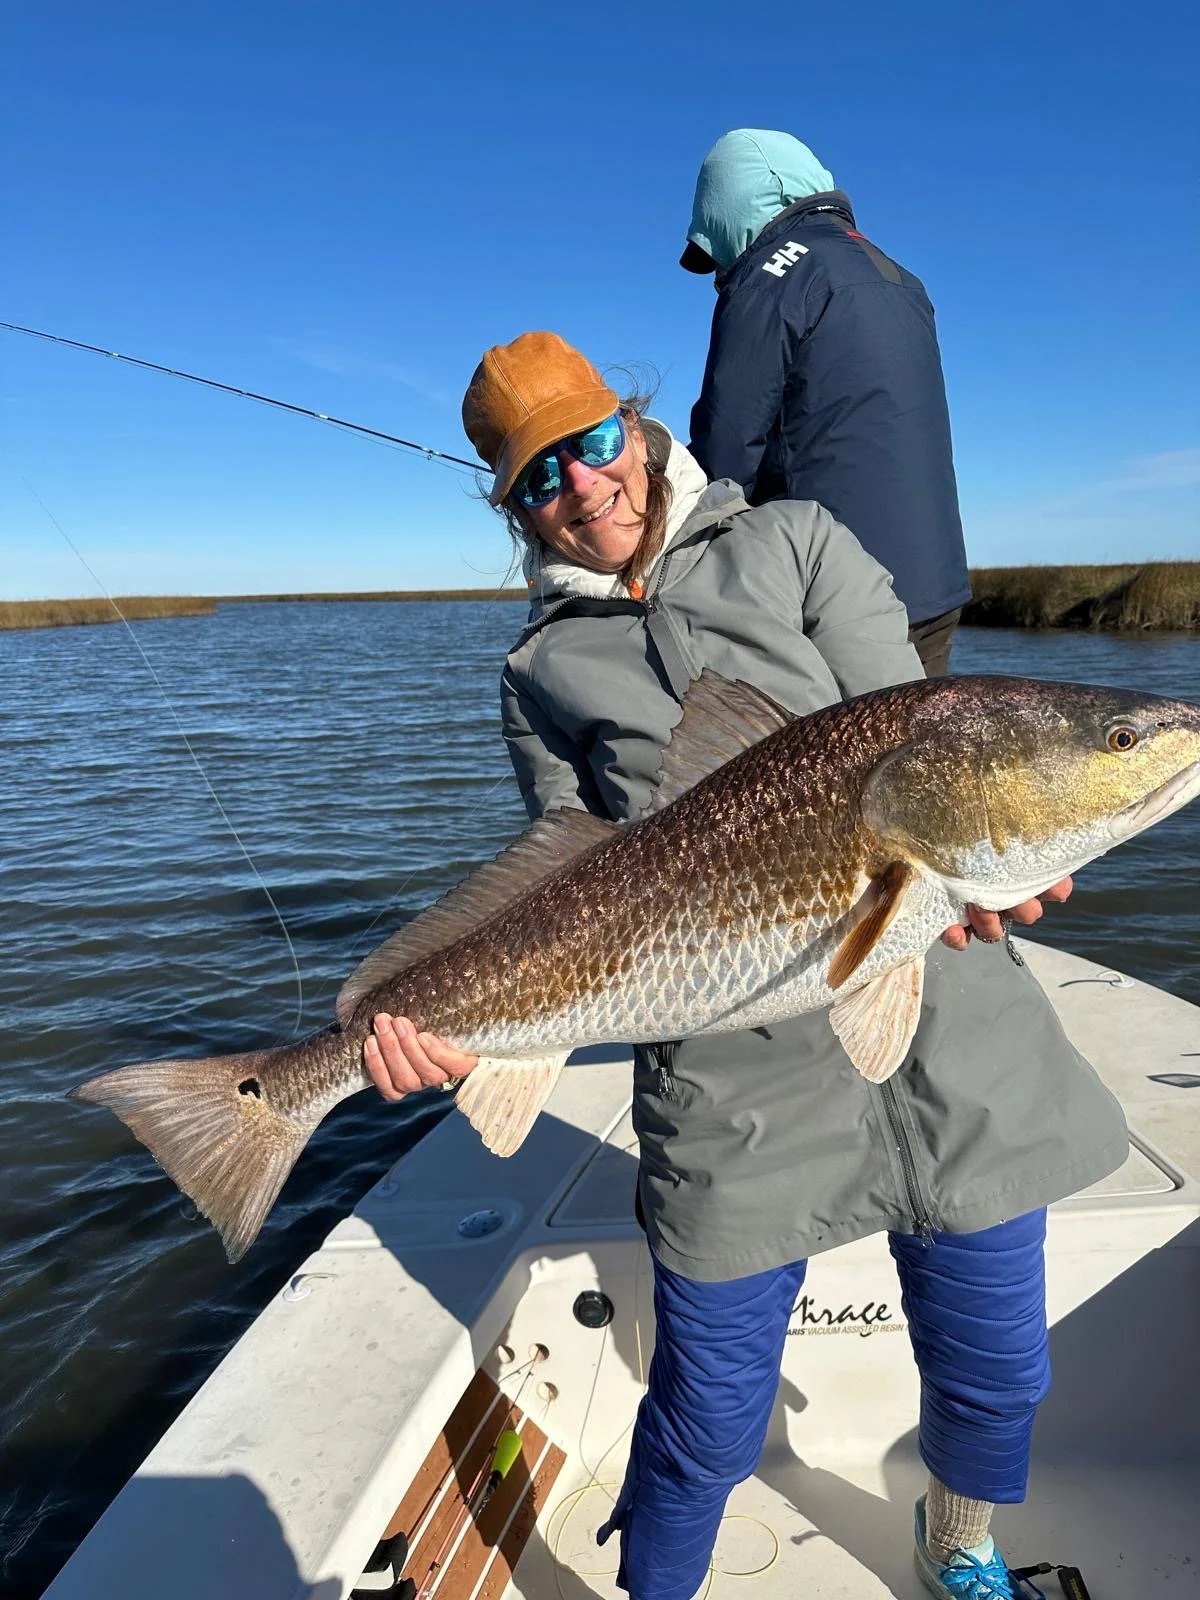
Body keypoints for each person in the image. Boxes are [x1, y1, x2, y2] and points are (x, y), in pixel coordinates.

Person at [362, 331, 1128, 1600]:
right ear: (513, 506)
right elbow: (560, 868)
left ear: (638, 427)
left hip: (945, 1011)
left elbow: (919, 729)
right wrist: (445, 1018)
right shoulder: (536, 668)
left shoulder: (797, 540)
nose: (583, 487)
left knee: (997, 1361)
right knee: (706, 1411)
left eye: (593, 443)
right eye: (539, 476)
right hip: (727, 1062)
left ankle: (962, 1545)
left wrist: (993, 857)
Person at [682, 129, 971, 677]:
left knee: (816, 759)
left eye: (715, 244)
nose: (718, 268)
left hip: (838, 598)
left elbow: (724, 455)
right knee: (911, 756)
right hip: (934, 589)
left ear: (734, 207)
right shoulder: (897, 274)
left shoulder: (770, 274)